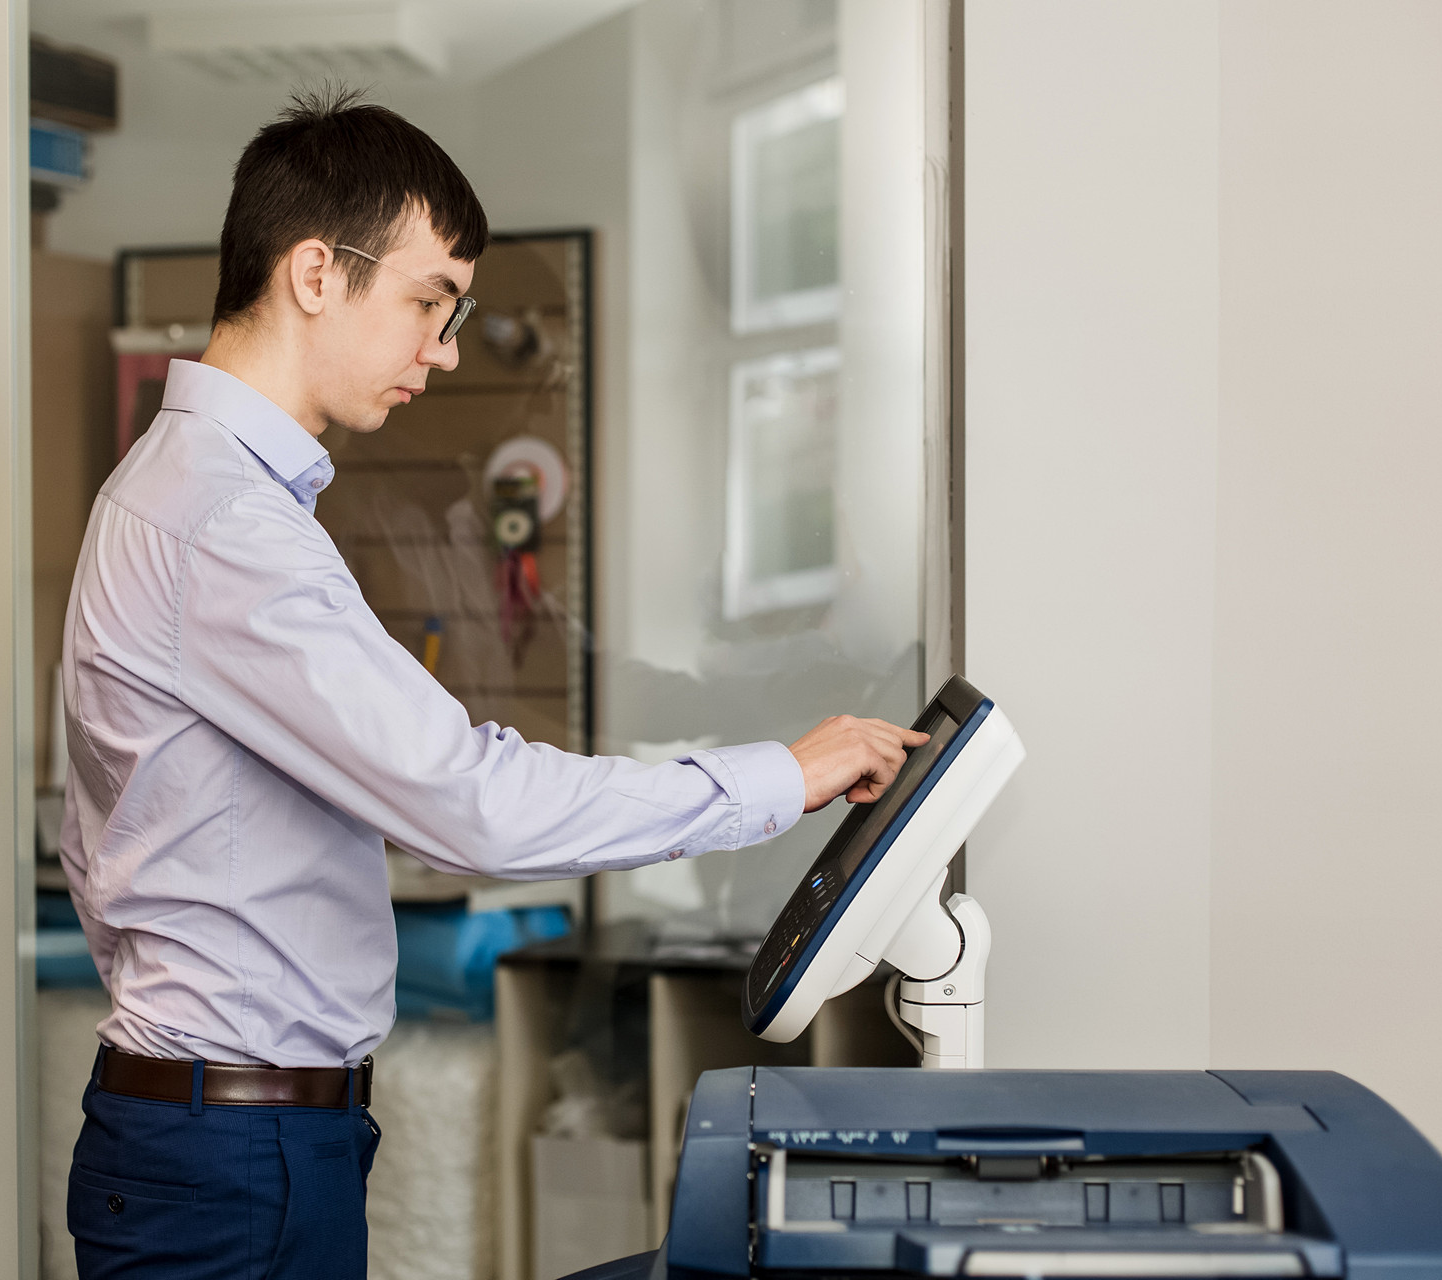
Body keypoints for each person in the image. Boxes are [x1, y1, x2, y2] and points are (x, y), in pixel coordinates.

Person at [57, 87, 928, 1280]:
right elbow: (473, 805)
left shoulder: (183, 493)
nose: (446, 348)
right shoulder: (224, 524)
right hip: (231, 1149)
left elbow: (105, 838)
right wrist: (785, 773)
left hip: (232, 1133)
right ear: (315, 272)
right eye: (428, 301)